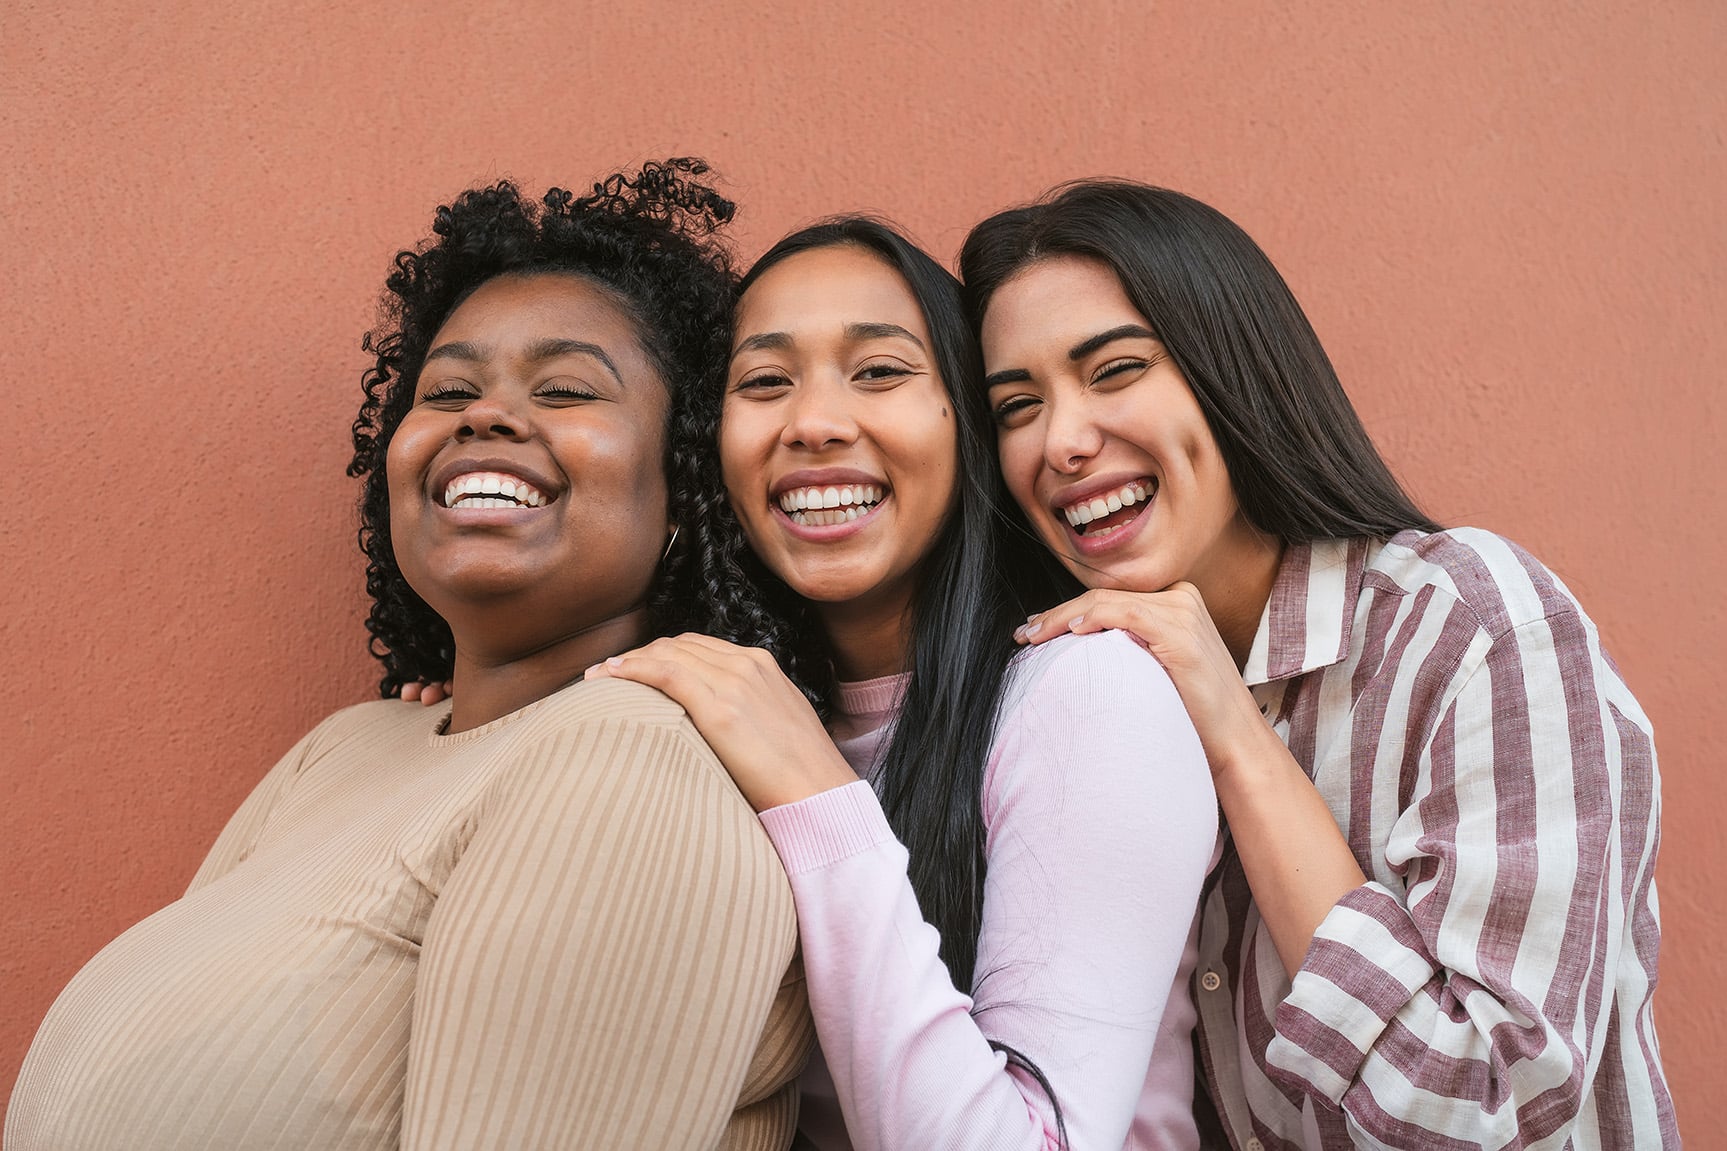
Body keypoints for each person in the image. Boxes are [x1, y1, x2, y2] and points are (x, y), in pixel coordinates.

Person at [6, 162, 811, 1151]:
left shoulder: (627, 760)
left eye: (563, 388)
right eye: (448, 389)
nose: (486, 414)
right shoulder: (345, 747)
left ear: (683, 481)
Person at [960, 181, 1677, 1149]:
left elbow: (1484, 1108)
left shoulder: (1469, 625)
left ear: (1231, 366)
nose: (1062, 440)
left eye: (1115, 369)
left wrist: (1236, 736)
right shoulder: (1072, 696)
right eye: (1016, 405)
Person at [590, 218, 1221, 1150]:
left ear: (965, 422)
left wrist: (819, 799)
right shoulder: (721, 708)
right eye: (764, 382)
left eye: (879, 371)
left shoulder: (1086, 692)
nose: (813, 423)